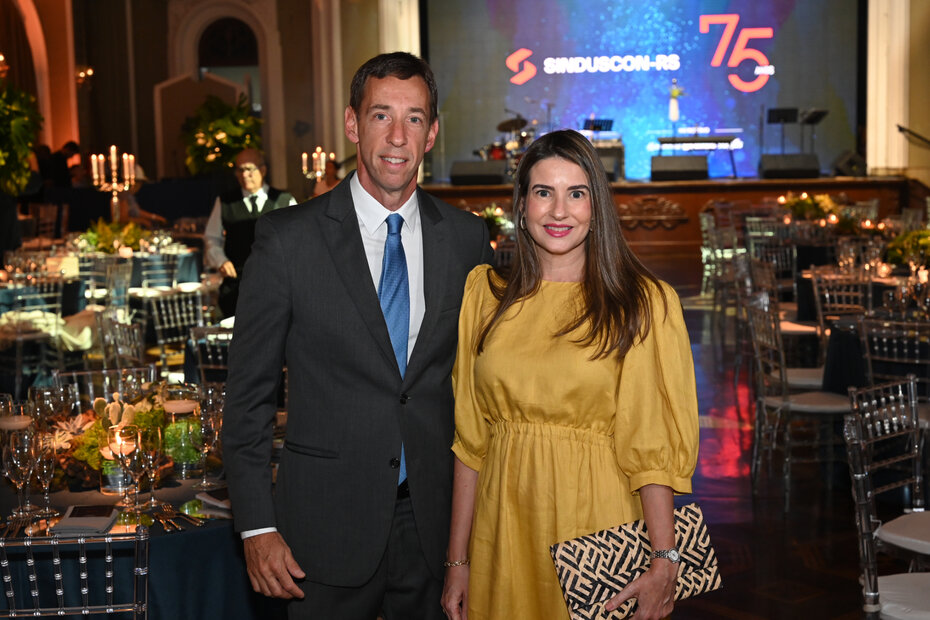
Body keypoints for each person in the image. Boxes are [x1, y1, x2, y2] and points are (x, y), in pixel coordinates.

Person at [222, 52, 493, 620]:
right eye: (381, 116)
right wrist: (256, 525)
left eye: (415, 118)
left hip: (433, 529)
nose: (398, 136)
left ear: (433, 131)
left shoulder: (466, 240)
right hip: (319, 534)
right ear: (352, 124)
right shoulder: (288, 240)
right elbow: (247, 399)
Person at [440, 130, 699, 620]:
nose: (559, 211)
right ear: (521, 205)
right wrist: (458, 561)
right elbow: (470, 444)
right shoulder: (484, 295)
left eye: (576, 193)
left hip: (598, 528)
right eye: (544, 192)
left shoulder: (642, 303)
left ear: (597, 206)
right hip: (503, 528)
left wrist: (665, 561)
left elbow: (653, 448)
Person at [203, 148, 296, 317]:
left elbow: (298, 242)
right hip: (236, 288)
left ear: (263, 170)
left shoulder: (283, 200)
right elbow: (211, 238)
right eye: (240, 169)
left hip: (276, 286)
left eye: (249, 169)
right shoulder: (225, 202)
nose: (244, 175)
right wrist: (221, 261)